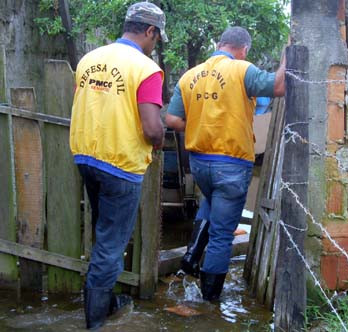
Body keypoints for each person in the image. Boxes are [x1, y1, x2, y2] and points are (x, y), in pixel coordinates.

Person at [166, 26, 285, 301]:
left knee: (210, 202)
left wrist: (200, 124)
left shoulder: (190, 76)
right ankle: (209, 301)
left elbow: (171, 120)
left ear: (219, 44)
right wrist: (288, 56)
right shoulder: (243, 70)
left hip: (200, 164)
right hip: (231, 163)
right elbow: (278, 86)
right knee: (222, 235)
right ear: (244, 49)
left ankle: (190, 259)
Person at [69, 2, 166, 329]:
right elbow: (152, 128)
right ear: (149, 31)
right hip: (120, 165)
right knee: (111, 244)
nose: (155, 45)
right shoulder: (145, 68)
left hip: (86, 158)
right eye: (156, 38)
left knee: (103, 233)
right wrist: (161, 139)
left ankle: (107, 302)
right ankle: (95, 323)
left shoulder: (89, 59)